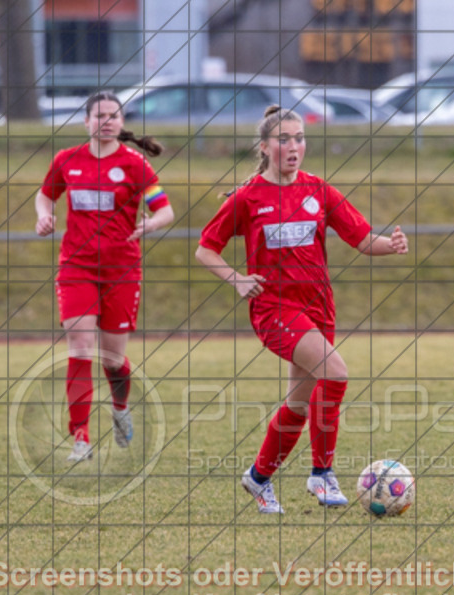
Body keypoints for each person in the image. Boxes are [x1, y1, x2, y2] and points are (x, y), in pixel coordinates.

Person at [195, 105, 409, 513]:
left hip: (318, 308)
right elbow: (205, 250)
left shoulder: (319, 191)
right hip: (274, 309)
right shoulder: (248, 198)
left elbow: (362, 238)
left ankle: (258, 479)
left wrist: (391, 245)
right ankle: (321, 473)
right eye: (284, 139)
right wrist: (238, 279)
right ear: (265, 147)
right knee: (337, 372)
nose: (294, 147)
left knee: (298, 404)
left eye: (299, 138)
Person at [35, 92, 174, 463]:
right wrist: (43, 215)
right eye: (100, 115)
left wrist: (152, 223)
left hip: (121, 270)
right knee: (80, 346)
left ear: (121, 122)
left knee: (113, 360)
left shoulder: (135, 165)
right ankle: (80, 438)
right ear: (86, 122)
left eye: (114, 115)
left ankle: (120, 406)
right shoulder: (67, 161)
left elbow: (165, 209)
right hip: (76, 268)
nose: (107, 121)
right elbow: (45, 195)